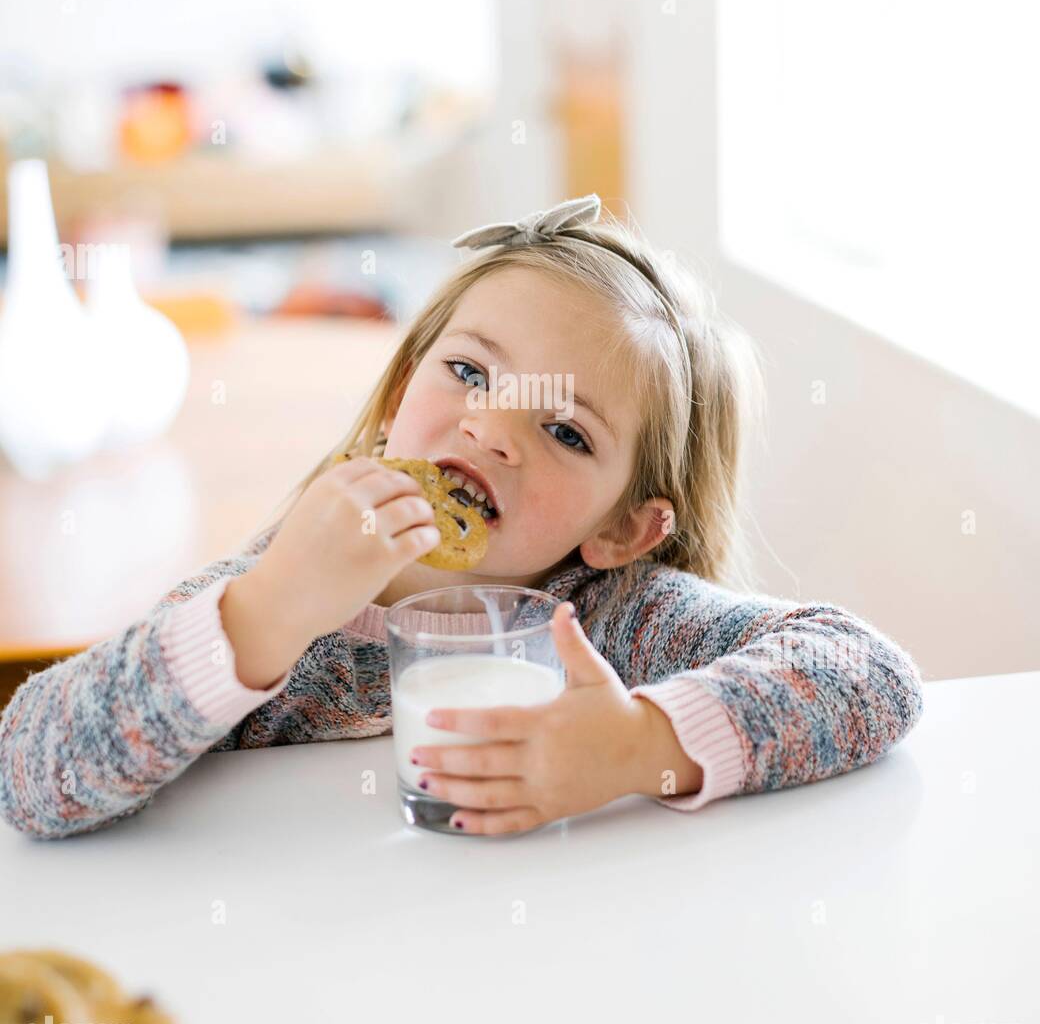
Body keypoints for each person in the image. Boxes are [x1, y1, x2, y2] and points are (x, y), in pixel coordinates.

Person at [0, 195, 924, 839]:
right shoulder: (288, 592)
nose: (490, 428)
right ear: (403, 391)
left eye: (564, 429)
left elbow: (871, 674)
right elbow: (30, 773)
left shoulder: (610, 620)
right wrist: (262, 616)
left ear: (623, 530)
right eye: (471, 373)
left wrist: (637, 747)